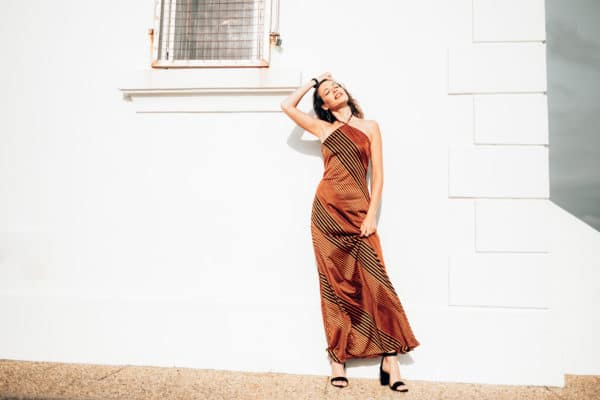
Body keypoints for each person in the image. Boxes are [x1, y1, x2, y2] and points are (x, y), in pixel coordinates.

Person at [280, 72, 420, 392]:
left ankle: (391, 358)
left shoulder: (370, 127)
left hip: (359, 213)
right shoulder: (323, 128)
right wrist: (314, 81)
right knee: (334, 286)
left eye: (337, 87)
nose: (334, 91)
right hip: (327, 213)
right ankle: (337, 359)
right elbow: (286, 105)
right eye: (328, 92)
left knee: (377, 284)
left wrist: (371, 215)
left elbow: (379, 176)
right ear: (324, 105)